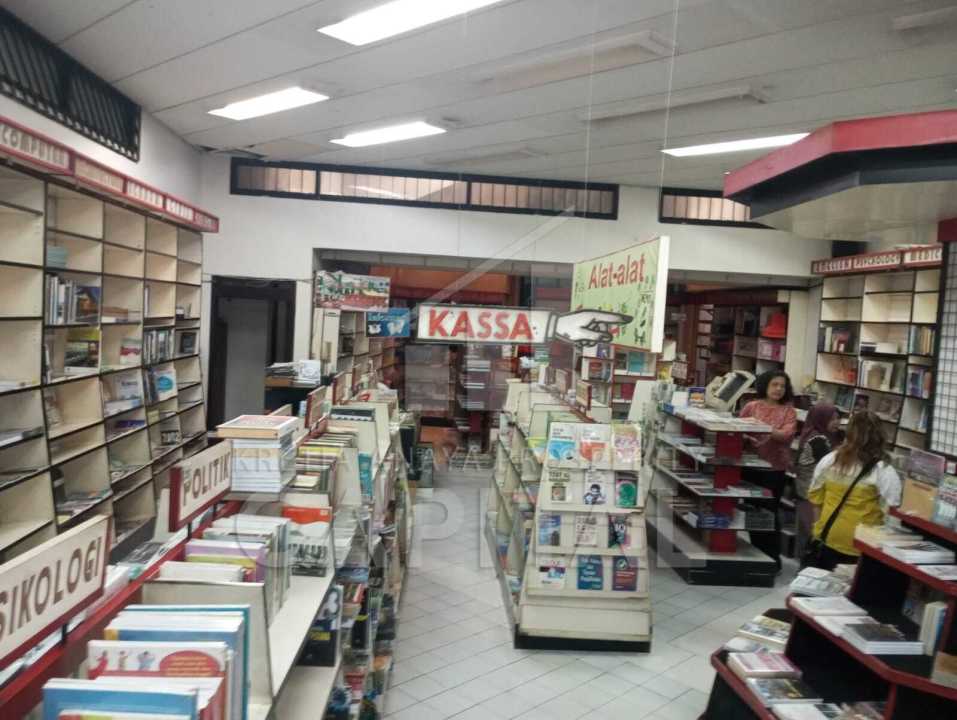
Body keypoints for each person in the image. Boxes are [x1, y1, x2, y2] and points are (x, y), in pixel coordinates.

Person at [808, 411, 901, 569]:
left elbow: (815, 497)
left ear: (849, 433)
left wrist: (818, 530)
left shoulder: (830, 460)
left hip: (827, 537)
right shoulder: (884, 470)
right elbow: (892, 514)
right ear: (880, 437)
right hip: (863, 546)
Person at [740, 371, 798, 570]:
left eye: (782, 386)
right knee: (752, 512)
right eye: (774, 384)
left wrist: (760, 427)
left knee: (769, 513)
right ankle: (756, 555)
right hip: (750, 467)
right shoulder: (751, 406)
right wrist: (747, 436)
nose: (778, 389)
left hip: (774, 470)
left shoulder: (789, 412)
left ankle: (772, 560)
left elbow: (786, 435)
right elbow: (738, 431)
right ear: (765, 385)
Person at [793, 403, 841, 559]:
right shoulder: (819, 439)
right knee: (813, 533)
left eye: (838, 418)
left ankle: (803, 563)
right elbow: (833, 465)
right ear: (822, 419)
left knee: (805, 530)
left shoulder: (812, 433)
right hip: (812, 492)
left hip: (804, 489)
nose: (837, 422)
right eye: (832, 419)